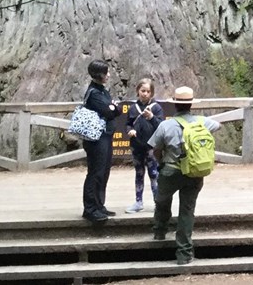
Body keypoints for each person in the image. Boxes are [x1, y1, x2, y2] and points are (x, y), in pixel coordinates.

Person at [147, 85, 220, 265]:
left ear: (175, 105)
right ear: (191, 105)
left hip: (171, 170)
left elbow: (155, 150)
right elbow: (218, 125)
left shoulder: (166, 125)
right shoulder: (203, 122)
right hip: (194, 172)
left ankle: (160, 231)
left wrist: (161, 162)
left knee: (162, 200)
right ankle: (184, 254)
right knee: (187, 211)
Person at [80, 58, 121, 224]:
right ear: (99, 75)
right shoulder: (94, 93)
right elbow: (110, 111)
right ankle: (90, 209)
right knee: (95, 172)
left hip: (105, 135)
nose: (109, 75)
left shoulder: (102, 91)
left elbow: (113, 108)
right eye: (106, 72)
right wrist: (112, 107)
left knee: (104, 172)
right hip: (96, 138)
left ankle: (99, 204)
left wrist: (113, 107)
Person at [124, 77, 165, 213]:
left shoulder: (156, 108)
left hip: (152, 147)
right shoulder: (133, 108)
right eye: (143, 91)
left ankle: (157, 202)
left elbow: (161, 126)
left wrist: (152, 117)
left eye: (148, 91)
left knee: (154, 174)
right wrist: (130, 131)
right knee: (139, 173)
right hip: (136, 146)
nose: (145, 94)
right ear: (138, 91)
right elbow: (128, 124)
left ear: (152, 93)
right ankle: (138, 201)